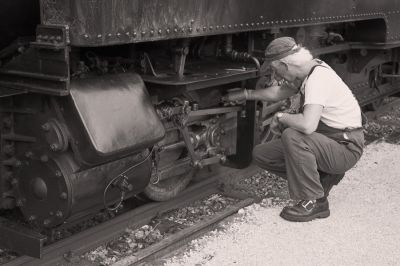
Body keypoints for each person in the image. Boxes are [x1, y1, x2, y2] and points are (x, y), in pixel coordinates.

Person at [223, 37, 364, 222]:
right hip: (329, 142)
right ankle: (319, 180)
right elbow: (279, 92)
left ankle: (313, 201)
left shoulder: (317, 79)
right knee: (262, 154)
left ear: (285, 65)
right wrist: (247, 94)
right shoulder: (306, 71)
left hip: (345, 147)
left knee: (293, 135)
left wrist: (282, 117)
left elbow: (307, 125)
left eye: (275, 70)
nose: (276, 76)